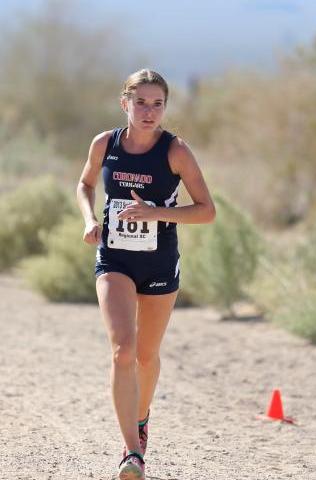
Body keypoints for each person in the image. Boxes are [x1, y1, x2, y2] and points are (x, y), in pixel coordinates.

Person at [76, 69, 216, 480]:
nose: (149, 111)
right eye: (141, 102)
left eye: (157, 104)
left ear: (165, 108)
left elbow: (207, 210)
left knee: (146, 356)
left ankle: (141, 419)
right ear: (125, 104)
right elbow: (84, 184)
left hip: (158, 262)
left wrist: (157, 212)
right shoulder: (106, 144)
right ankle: (132, 454)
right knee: (122, 351)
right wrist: (88, 220)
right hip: (114, 259)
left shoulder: (176, 152)